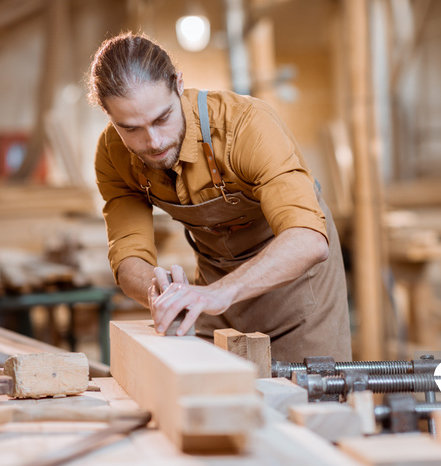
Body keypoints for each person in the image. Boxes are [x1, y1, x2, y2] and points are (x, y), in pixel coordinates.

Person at [87, 32, 351, 362]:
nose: (153, 141)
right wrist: (159, 293)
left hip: (296, 294)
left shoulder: (246, 125)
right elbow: (128, 256)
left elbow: (308, 240)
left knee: (312, 404)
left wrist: (220, 293)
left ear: (179, 85)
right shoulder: (113, 154)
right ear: (109, 116)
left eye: (162, 118)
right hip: (214, 297)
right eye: (131, 128)